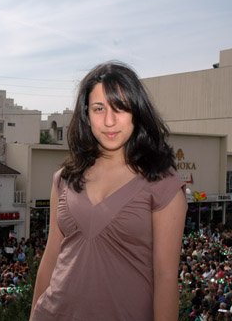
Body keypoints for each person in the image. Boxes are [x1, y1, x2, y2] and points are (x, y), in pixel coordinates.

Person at [30, 61, 187, 321]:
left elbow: (166, 277)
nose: (110, 121)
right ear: (86, 114)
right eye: (99, 108)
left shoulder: (163, 184)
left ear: (137, 112)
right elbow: (50, 258)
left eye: (120, 108)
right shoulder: (65, 179)